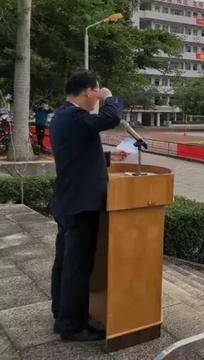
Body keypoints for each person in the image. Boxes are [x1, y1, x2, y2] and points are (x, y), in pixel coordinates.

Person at [49, 70, 127, 342]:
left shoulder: (63, 116)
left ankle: (62, 315)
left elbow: (77, 154)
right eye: (97, 91)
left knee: (64, 263)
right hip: (81, 204)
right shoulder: (74, 116)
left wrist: (108, 156)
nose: (99, 96)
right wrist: (111, 97)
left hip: (69, 200)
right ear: (87, 91)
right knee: (77, 267)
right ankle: (73, 326)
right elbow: (112, 117)